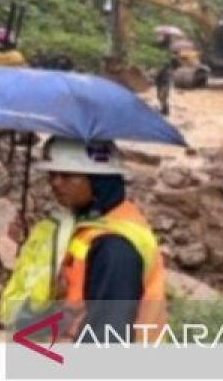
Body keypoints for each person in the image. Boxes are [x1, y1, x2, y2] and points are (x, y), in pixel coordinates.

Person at [30, 137, 168, 343]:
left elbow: (108, 334)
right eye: (52, 174)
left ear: (98, 179)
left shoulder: (114, 247)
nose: (55, 183)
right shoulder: (105, 220)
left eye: (67, 175)